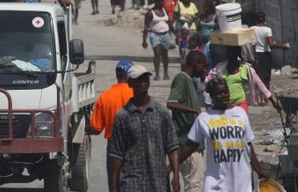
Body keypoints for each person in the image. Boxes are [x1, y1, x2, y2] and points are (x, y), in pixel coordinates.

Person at [178, 77, 269, 191]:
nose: (224, 95)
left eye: (226, 92)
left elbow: (248, 145)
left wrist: (259, 170)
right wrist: (172, 166)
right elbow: (189, 146)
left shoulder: (240, 113)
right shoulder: (204, 118)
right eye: (219, 93)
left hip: (241, 182)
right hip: (215, 183)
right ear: (211, 96)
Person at [108, 65, 180, 192]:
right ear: (130, 83)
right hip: (132, 183)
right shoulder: (123, 116)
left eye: (146, 78)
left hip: (159, 183)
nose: (143, 82)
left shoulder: (161, 113)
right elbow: (117, 154)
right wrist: (113, 186)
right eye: (139, 79)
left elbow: (172, 147)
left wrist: (176, 176)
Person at [88, 59, 134, 191]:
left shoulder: (105, 97)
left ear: (117, 75)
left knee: (115, 184)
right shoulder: (137, 95)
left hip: (114, 146)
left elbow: (96, 128)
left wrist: (87, 130)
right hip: (134, 144)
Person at [167, 51, 206, 192]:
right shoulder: (181, 79)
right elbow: (171, 103)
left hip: (192, 144)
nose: (204, 69)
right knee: (194, 184)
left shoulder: (191, 81)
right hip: (187, 143)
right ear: (195, 64)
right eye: (203, 65)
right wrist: (194, 111)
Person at [206, 45, 281, 113]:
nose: (226, 53)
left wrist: (273, 102)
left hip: (241, 104)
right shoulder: (220, 68)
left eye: (229, 51)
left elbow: (259, 84)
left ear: (236, 53)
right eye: (226, 51)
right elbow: (208, 79)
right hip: (225, 106)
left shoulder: (246, 68)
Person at [142, 0, 178, 80]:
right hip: (154, 34)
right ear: (156, 2)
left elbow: (169, 23)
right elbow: (146, 27)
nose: (163, 3)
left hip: (165, 34)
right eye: (161, 1)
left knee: (165, 54)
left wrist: (175, 33)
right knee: (157, 53)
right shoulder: (150, 13)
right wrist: (144, 40)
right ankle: (157, 74)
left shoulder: (164, 11)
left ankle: (165, 72)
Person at [251, 11, 289, 89]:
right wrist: (283, 46)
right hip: (265, 55)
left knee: (257, 76)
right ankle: (266, 97)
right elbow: (271, 45)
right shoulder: (267, 30)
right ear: (264, 20)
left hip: (255, 54)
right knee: (266, 78)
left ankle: (260, 96)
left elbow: (252, 43)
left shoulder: (252, 29)